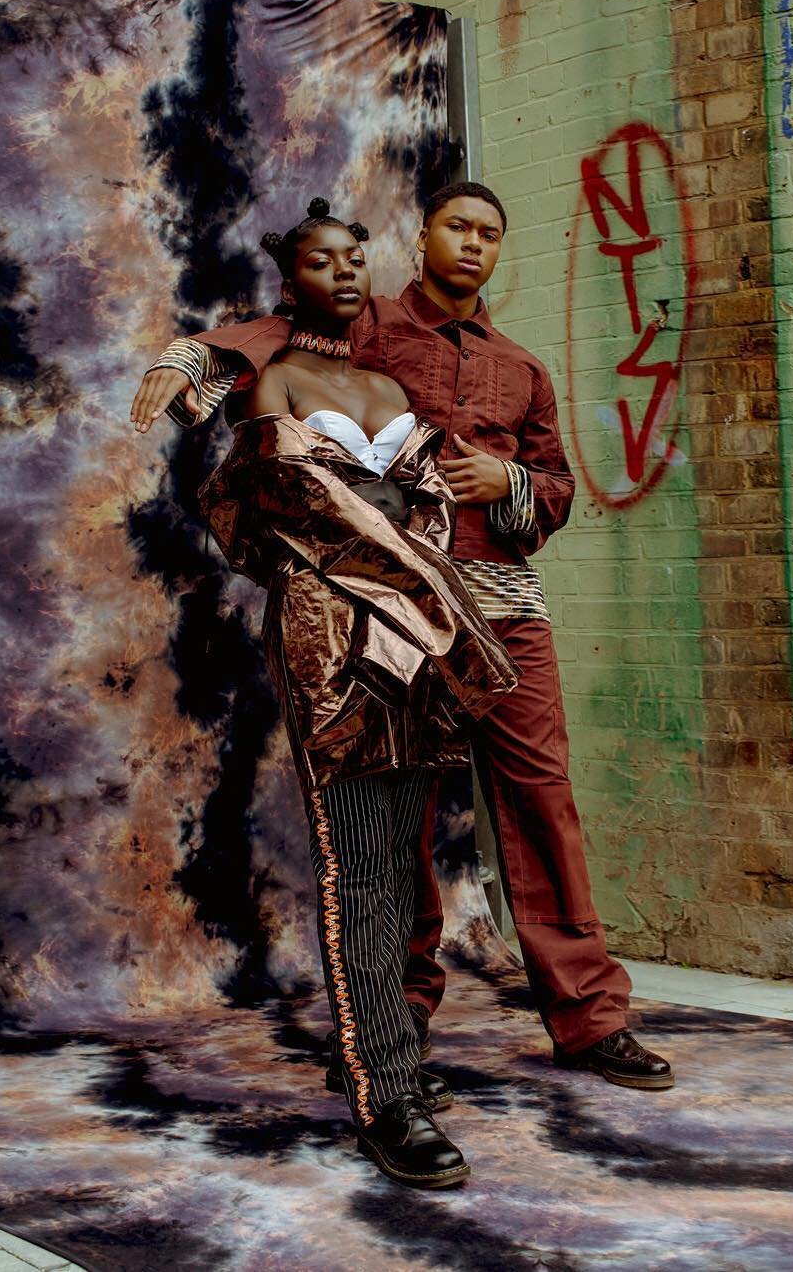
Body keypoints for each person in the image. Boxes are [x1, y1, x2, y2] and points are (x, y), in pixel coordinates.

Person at [132, 183, 674, 1091]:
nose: (474, 243)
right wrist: (190, 360)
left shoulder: (524, 369)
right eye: (458, 227)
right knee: (398, 819)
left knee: (542, 802)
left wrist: (506, 480)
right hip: (389, 608)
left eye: (490, 233)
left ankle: (590, 1020)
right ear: (423, 238)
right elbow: (272, 335)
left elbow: (556, 492)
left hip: (505, 607)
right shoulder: (369, 325)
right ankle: (394, 1023)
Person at [162, 198, 519, 1186]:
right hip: (332, 630)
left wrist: (423, 576)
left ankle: (382, 1051)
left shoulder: (386, 382)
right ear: (293, 280)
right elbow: (276, 510)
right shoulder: (274, 378)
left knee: (403, 864)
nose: (348, 271)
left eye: (356, 257)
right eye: (324, 260)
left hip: (421, 636)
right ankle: (383, 1096)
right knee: (356, 863)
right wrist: (193, 362)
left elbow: (431, 507)